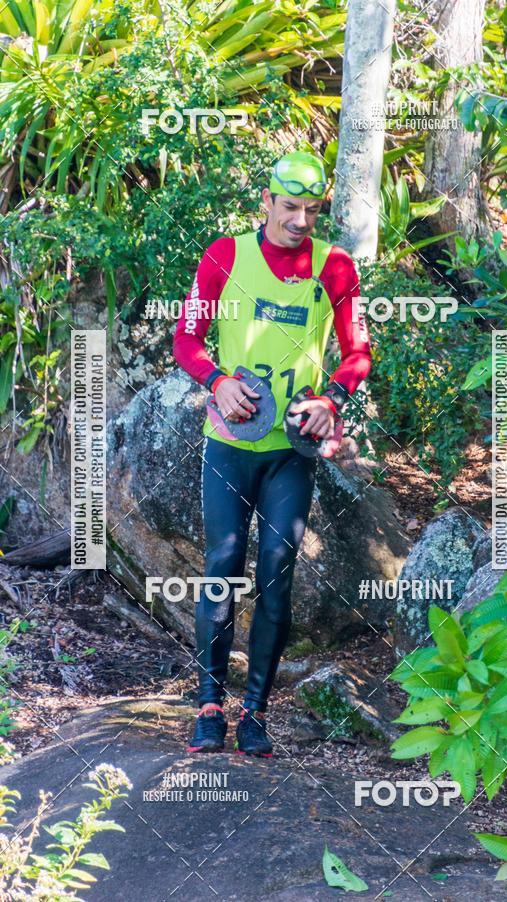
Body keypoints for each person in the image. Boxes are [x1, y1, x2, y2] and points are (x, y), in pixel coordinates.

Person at [173, 150, 371, 757]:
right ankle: (209, 707)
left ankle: (254, 713)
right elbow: (186, 338)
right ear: (266, 201)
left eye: (312, 210)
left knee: (277, 577)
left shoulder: (335, 267)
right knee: (220, 573)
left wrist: (332, 400)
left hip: (291, 447)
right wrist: (217, 381)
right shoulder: (224, 256)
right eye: (290, 207)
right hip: (231, 443)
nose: (300, 220)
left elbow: (357, 351)